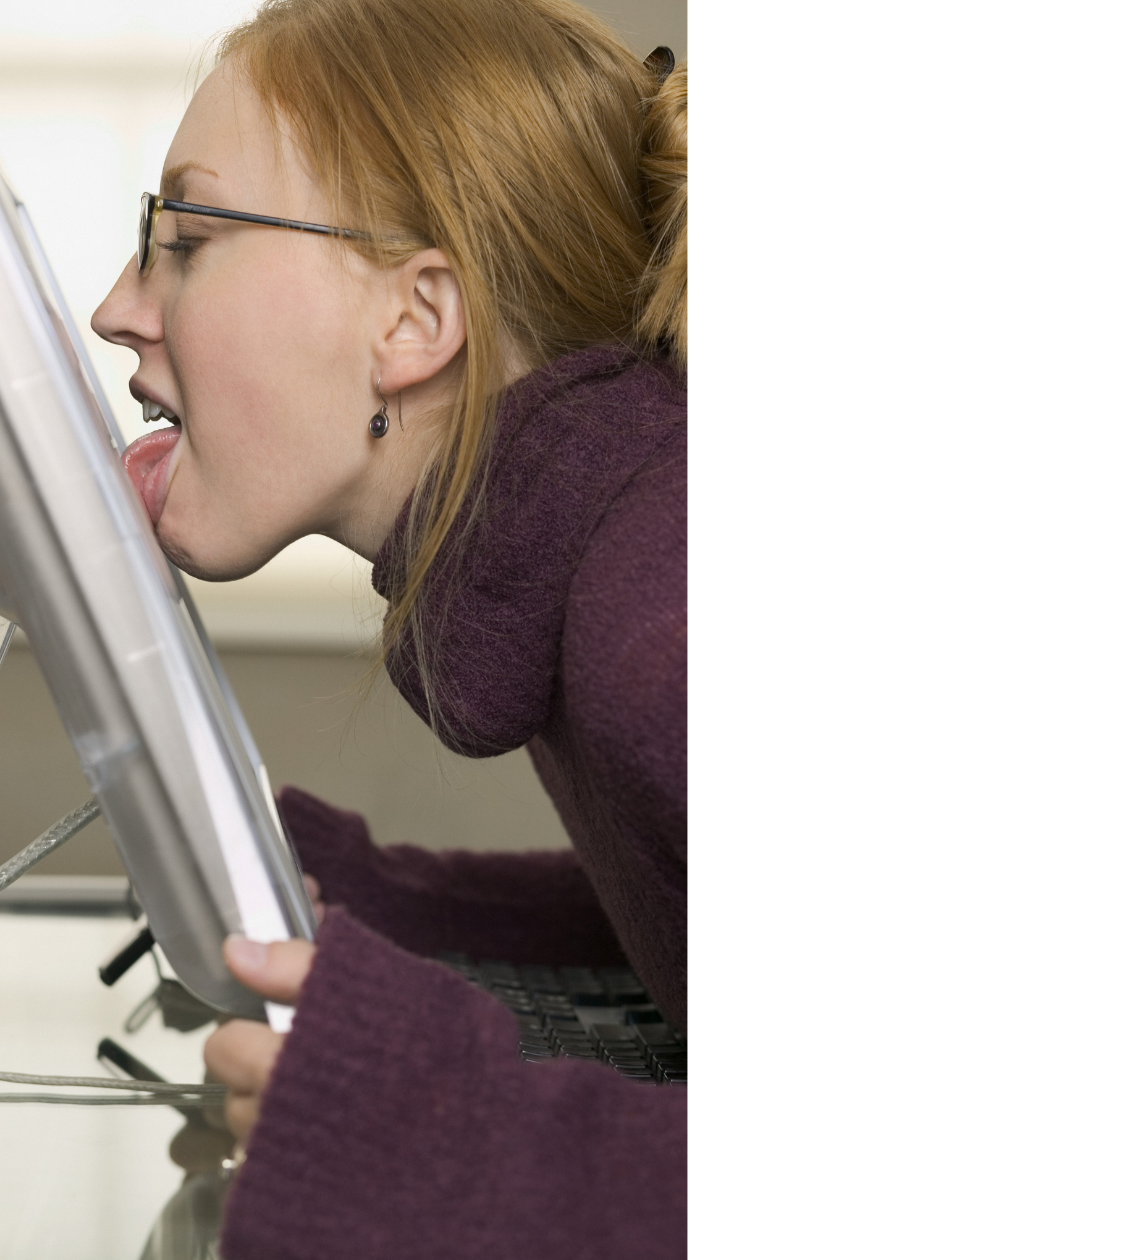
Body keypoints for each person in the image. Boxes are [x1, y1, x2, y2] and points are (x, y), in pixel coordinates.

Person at [89, 0, 688, 1254]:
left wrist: (449, 1126)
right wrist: (394, 905)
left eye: (186, 239)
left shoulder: (658, 610)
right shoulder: (602, 553)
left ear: (414, 321)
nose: (116, 309)